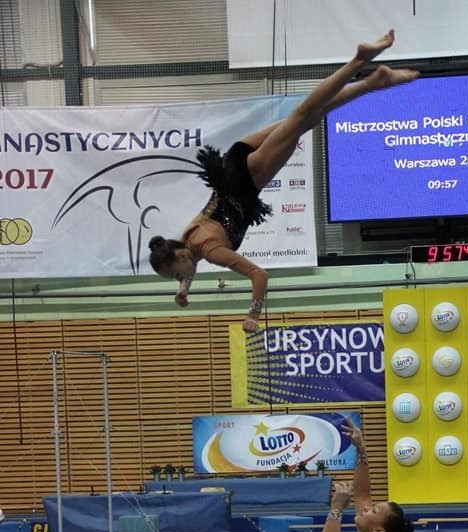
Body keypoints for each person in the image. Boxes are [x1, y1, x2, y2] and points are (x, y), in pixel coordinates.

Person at [148, 30, 419, 332]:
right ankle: (373, 82)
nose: (182, 279)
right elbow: (189, 265)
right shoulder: (188, 239)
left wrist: (253, 314)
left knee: (304, 114)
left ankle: (359, 61)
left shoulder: (211, 250)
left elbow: (259, 275)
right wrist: (183, 289)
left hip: (246, 180)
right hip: (234, 160)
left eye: (177, 276)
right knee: (306, 117)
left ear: (180, 255)